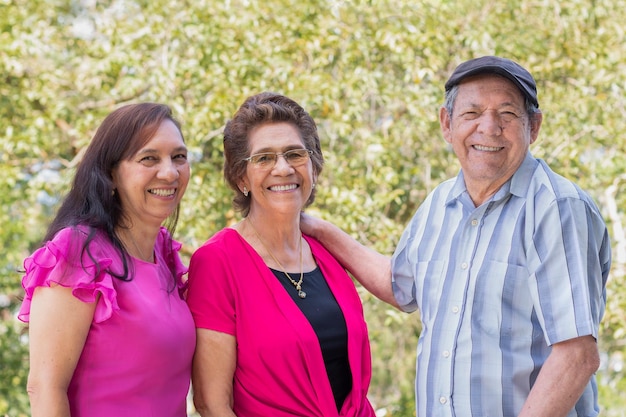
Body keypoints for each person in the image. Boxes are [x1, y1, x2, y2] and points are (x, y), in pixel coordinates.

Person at [300, 56, 612, 417]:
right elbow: (399, 284)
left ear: (534, 127)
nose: (489, 127)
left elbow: (576, 355)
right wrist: (317, 228)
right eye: (472, 113)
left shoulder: (557, 209)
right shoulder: (439, 204)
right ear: (447, 124)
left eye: (507, 114)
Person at [185, 92, 376, 417]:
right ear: (241, 177)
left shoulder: (326, 254)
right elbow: (212, 403)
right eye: (264, 158)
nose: (283, 168)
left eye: (294, 154)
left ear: (313, 167)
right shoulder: (217, 262)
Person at [18, 103, 195, 417]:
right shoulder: (77, 252)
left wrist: (301, 224)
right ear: (111, 173)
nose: (169, 172)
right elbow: (45, 387)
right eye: (149, 158)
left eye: (178, 157)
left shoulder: (165, 253)